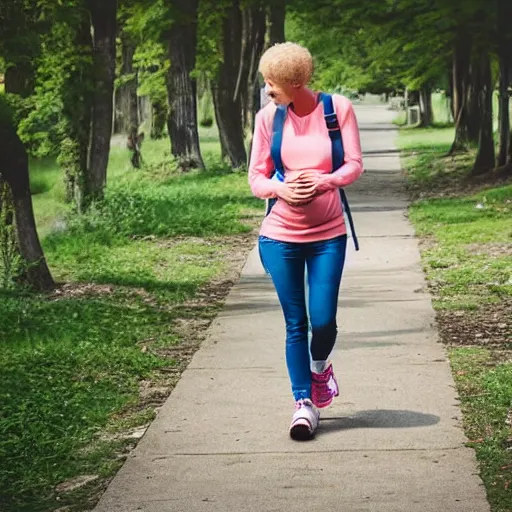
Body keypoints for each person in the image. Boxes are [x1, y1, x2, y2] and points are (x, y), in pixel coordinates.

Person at [248, 42, 364, 440]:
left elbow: (353, 164)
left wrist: (325, 180)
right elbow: (256, 179)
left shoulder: (337, 109)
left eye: (272, 83)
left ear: (295, 82)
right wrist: (281, 190)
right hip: (279, 237)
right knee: (295, 323)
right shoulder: (267, 119)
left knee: (324, 320)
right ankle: (304, 405)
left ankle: (319, 368)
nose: (267, 89)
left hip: (328, 235)